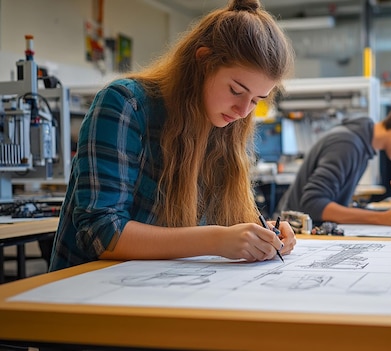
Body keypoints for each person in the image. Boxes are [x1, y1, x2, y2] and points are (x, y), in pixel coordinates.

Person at [49, 0, 296, 272]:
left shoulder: (224, 125)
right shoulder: (125, 104)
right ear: (202, 61)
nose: (242, 111)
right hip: (86, 293)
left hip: (162, 288)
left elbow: (228, 221)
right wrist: (217, 240)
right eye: (236, 91)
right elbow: (101, 234)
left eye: (256, 101)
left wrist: (262, 236)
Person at [275, 102, 391, 226]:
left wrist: (387, 213)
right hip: (298, 236)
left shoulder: (361, 145)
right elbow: (313, 204)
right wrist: (381, 218)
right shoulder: (347, 144)